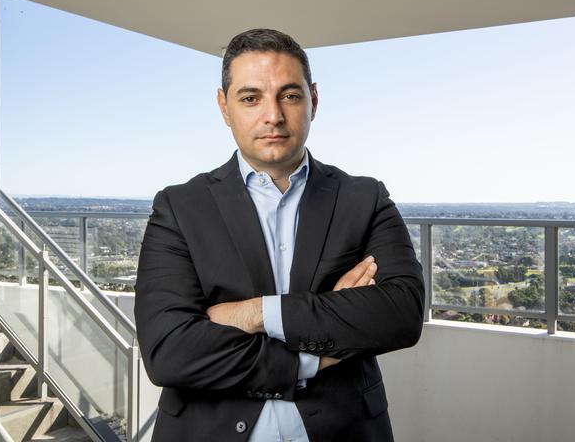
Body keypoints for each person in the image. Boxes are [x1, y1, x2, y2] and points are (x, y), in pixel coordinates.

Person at [135, 28, 425, 441]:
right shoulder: (179, 207)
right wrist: (315, 350)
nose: (273, 115)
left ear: (314, 100)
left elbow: (400, 314)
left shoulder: (364, 197)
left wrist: (254, 313)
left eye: (289, 95)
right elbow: (170, 352)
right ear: (224, 106)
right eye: (251, 98)